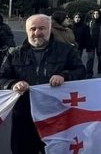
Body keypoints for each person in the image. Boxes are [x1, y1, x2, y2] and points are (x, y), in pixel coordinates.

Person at [0, 14, 85, 154]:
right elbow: (2, 78)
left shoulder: (66, 51)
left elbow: (81, 71)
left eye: (42, 28)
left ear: (50, 29)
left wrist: (64, 76)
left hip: (56, 115)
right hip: (24, 115)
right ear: (27, 31)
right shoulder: (14, 53)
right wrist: (13, 84)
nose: (37, 33)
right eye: (32, 29)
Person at [86, 9, 101, 77]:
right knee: (90, 58)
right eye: (95, 14)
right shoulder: (91, 22)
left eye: (97, 14)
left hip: (99, 42)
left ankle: (100, 69)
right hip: (91, 42)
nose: (96, 15)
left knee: (100, 57)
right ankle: (89, 72)